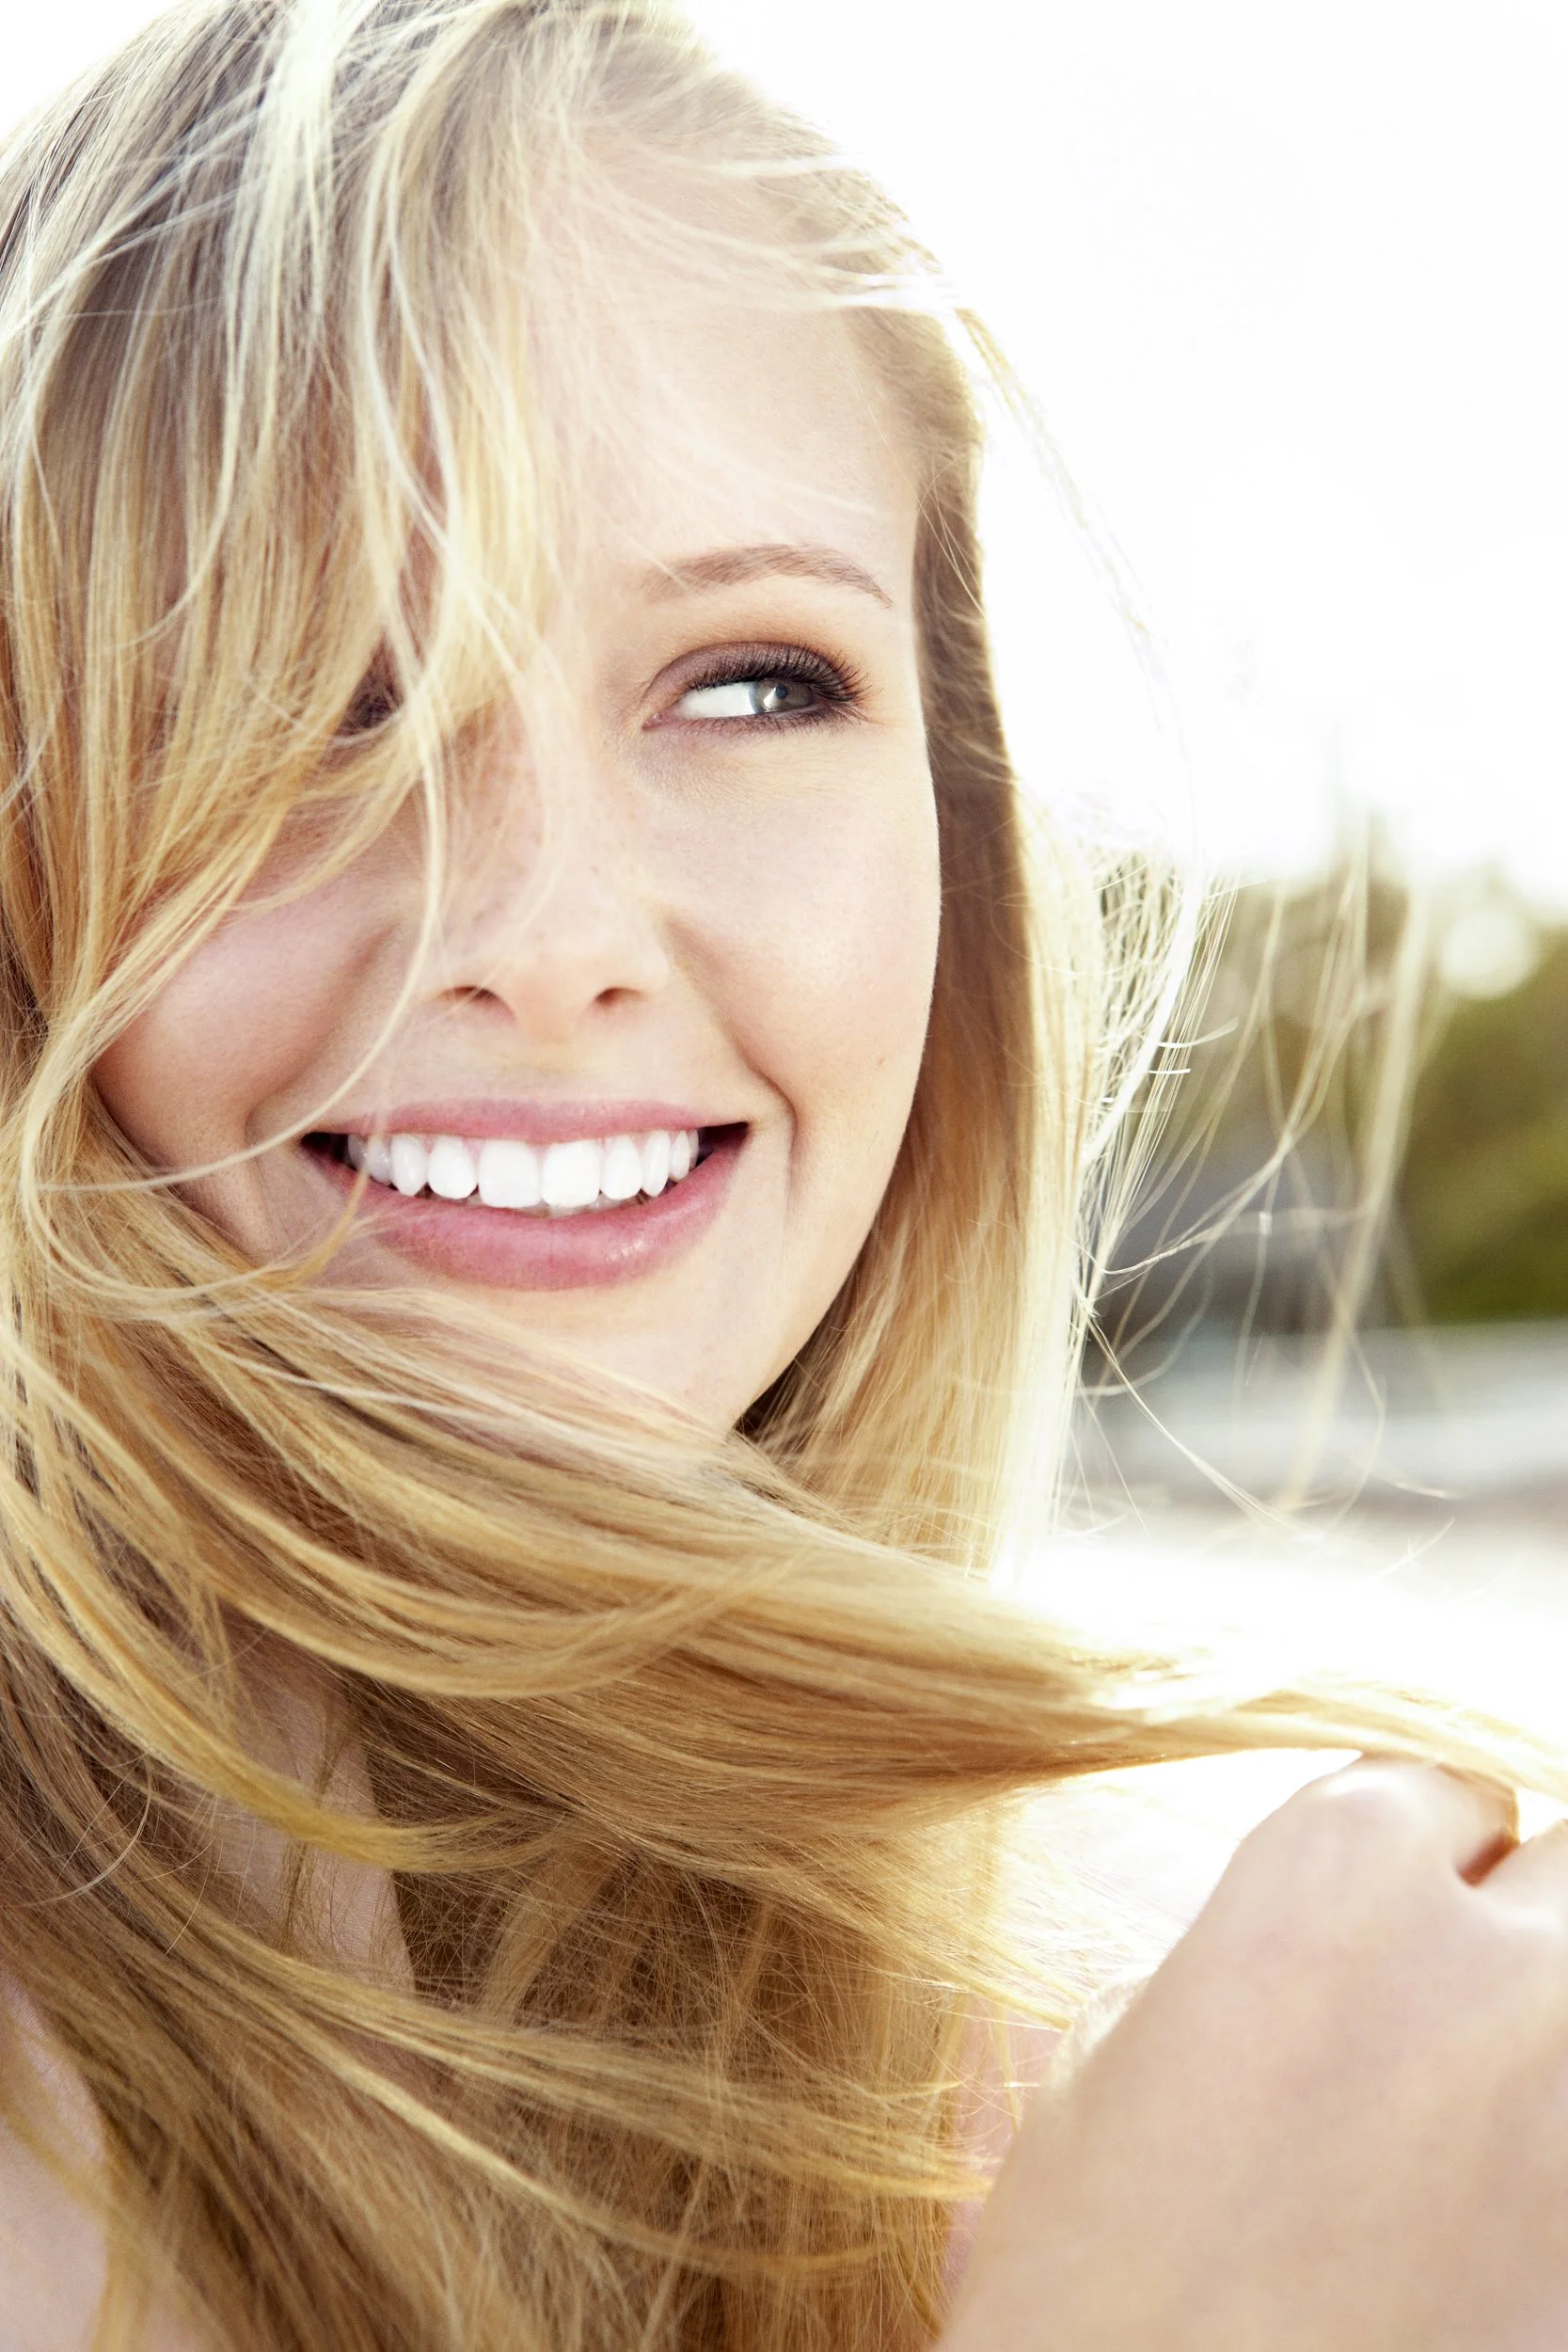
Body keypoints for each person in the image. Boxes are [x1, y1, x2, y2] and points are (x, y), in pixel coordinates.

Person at [1, 4, 1566, 2348]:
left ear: (954, 824)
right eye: (305, 688)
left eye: (750, 683)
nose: (545, 935)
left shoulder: (1171, 2038)